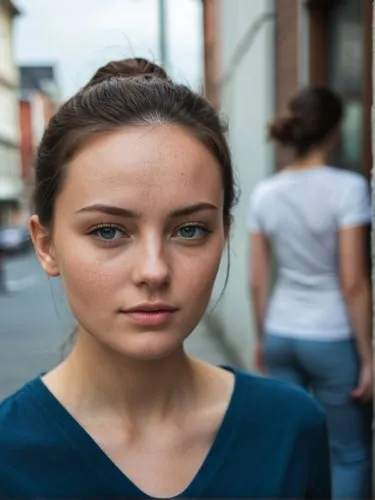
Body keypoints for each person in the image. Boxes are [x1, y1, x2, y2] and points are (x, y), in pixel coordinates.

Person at [0, 58, 330, 499]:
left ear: (225, 235)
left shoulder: (291, 429)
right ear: (46, 244)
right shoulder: (8, 454)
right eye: (108, 231)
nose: (154, 270)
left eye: (189, 230)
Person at [248, 85, 372, 499]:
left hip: (282, 331)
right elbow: (353, 281)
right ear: (335, 132)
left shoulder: (266, 193)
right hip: (332, 337)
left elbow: (257, 280)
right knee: (349, 453)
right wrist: (368, 355)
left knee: (293, 446)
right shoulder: (348, 188)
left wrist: (262, 339)